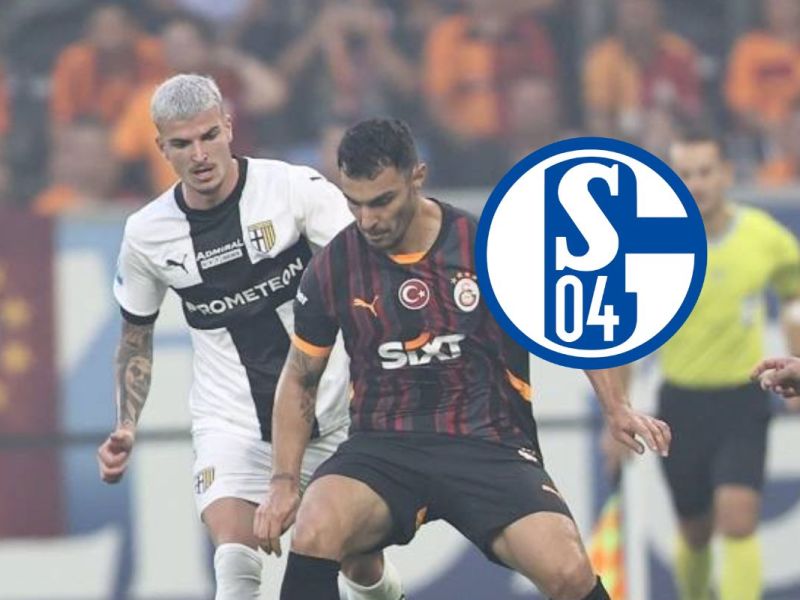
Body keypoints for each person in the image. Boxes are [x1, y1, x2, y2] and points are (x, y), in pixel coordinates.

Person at [253, 117, 671, 600]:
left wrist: (616, 407)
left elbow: (570, 323)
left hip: (488, 441)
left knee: (569, 572)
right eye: (355, 203)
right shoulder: (334, 266)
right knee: (315, 528)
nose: (368, 220)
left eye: (382, 201)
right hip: (384, 446)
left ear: (417, 177)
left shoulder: (490, 246)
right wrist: (283, 481)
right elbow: (300, 378)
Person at [95, 74, 403, 600]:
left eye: (209, 135)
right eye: (182, 143)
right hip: (233, 424)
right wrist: (125, 423)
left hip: (332, 414)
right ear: (161, 148)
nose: (200, 155)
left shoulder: (293, 190)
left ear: (229, 126)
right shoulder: (147, 234)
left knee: (361, 565)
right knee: (235, 564)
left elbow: (371, 272)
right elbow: (135, 336)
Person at [615, 131, 800, 600]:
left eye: (704, 172)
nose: (696, 184)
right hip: (681, 402)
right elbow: (627, 334)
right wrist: (618, 409)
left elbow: (794, 293)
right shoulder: (653, 244)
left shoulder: (763, 236)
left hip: (743, 399)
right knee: (695, 530)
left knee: (738, 518)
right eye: (685, 174)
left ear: (725, 175)